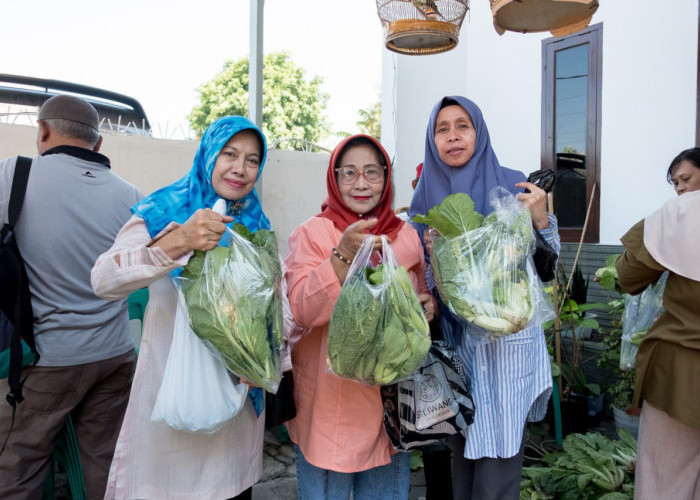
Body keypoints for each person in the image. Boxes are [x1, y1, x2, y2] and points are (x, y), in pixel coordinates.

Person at [91, 116, 270, 499]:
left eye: (253, 160)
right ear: (207, 154)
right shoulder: (163, 210)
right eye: (229, 153)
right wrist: (178, 241)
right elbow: (104, 279)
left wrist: (267, 359)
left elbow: (277, 308)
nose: (240, 168)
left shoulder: (255, 223)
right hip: (169, 401)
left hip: (235, 411)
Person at [408, 96, 560, 499]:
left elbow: (546, 269)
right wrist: (433, 265)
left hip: (509, 345)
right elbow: (425, 280)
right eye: (442, 129)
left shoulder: (514, 185)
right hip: (460, 348)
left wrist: (541, 221)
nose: (453, 137)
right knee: (464, 454)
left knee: (499, 461)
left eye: (463, 126)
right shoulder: (424, 199)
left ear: (479, 131)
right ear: (432, 139)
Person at [0, 95, 141, 499]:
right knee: (105, 463)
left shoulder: (14, 175)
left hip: (46, 362)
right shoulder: (131, 193)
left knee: (19, 464)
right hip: (115, 356)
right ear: (98, 145)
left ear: (42, 130)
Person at [284, 134, 435, 499]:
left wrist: (426, 306)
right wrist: (342, 255)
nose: (361, 183)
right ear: (334, 180)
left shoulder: (404, 236)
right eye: (349, 173)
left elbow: (415, 299)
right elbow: (302, 309)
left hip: (390, 408)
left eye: (372, 172)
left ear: (386, 177)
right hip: (329, 409)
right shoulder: (312, 234)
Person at [615, 148, 700, 499]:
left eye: (686, 179)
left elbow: (627, 275)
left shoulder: (678, 214)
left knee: (665, 478)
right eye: (675, 183)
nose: (680, 190)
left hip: (683, 371)